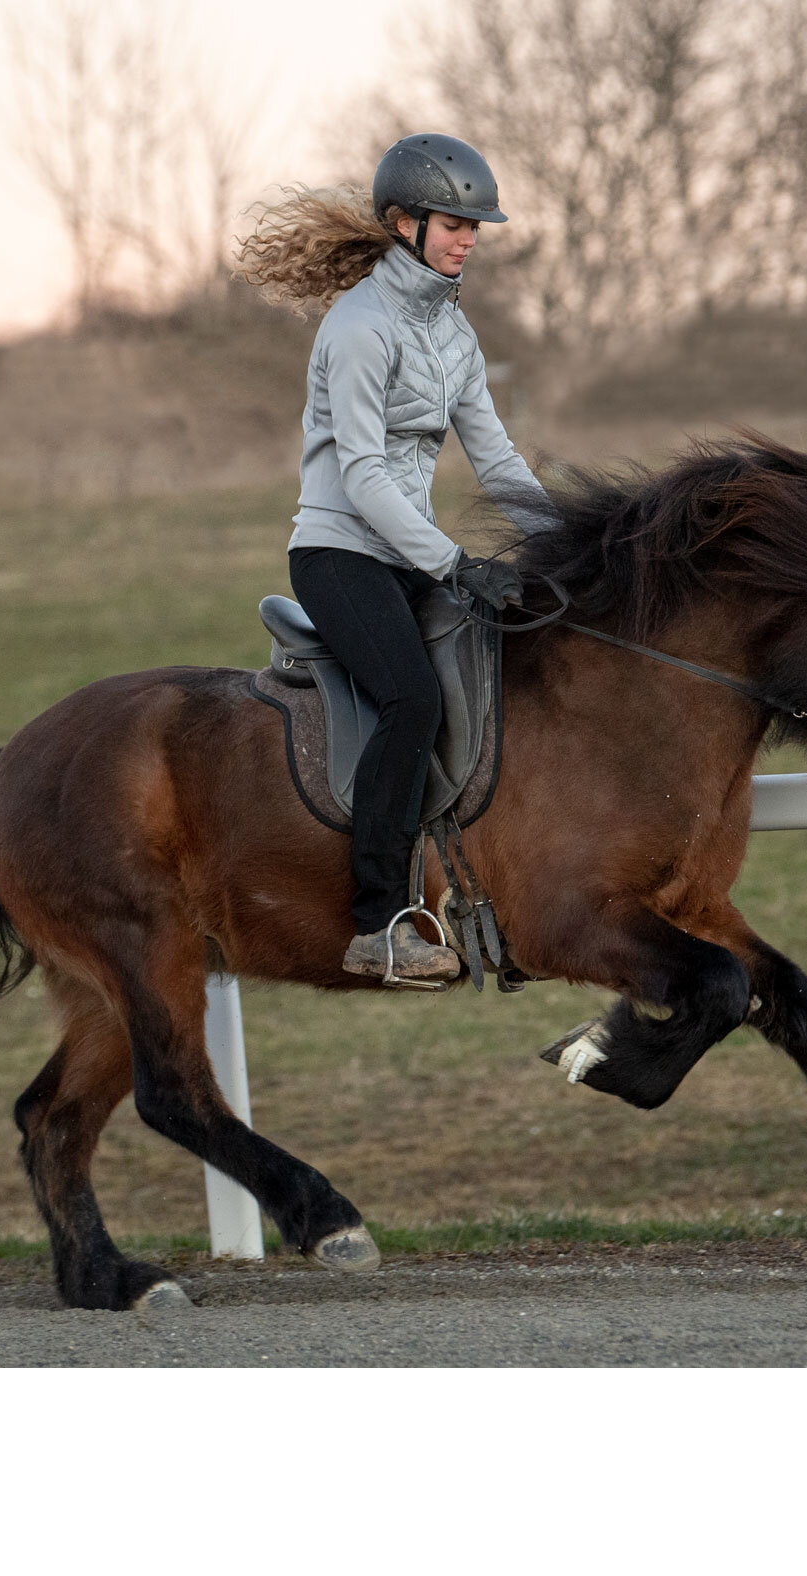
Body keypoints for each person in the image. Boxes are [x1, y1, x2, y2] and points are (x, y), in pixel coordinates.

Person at [238, 134, 546, 981]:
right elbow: (364, 476)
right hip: (339, 554)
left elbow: (498, 457)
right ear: (403, 223)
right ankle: (379, 925)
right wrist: (454, 563)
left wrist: (569, 540)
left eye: (476, 227)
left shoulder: (454, 334)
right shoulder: (359, 328)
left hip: (408, 557)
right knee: (411, 699)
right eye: (454, 223)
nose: (468, 240)